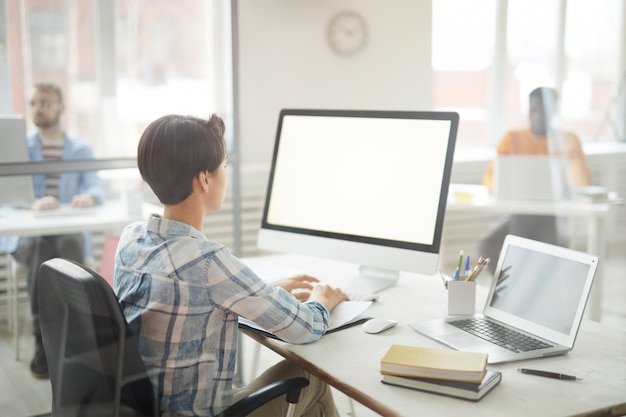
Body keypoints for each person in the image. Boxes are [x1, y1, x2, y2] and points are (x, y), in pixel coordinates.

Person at [114, 114, 348, 417]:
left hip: (151, 408)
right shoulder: (207, 262)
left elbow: (185, 302)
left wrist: (266, 291)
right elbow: (304, 328)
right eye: (223, 165)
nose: (225, 173)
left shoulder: (131, 240)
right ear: (205, 179)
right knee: (313, 378)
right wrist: (322, 300)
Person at [0, 82, 105, 379]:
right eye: (33, 103)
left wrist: (90, 197)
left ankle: (73, 338)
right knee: (39, 249)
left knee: (72, 243)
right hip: (28, 237)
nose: (38, 109)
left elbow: (96, 184)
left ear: (61, 107)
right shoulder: (19, 147)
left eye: (45, 103)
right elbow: (4, 192)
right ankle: (42, 340)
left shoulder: (80, 149)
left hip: (66, 231)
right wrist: (31, 202)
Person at [478, 87, 591, 275]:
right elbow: (491, 178)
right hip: (520, 213)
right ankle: (507, 287)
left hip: (552, 215)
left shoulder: (568, 140)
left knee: (542, 259)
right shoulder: (512, 138)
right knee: (487, 246)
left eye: (543, 110)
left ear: (554, 111)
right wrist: (503, 188)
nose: (537, 116)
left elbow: (582, 182)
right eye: (533, 110)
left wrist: (563, 183)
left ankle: (527, 287)